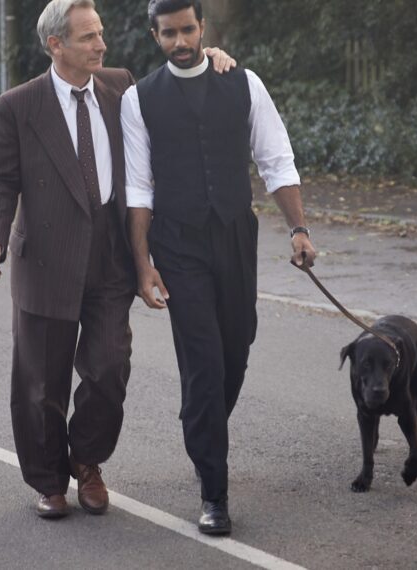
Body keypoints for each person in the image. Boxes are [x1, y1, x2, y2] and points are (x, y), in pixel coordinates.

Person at [0, 0, 235, 520]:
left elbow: (174, 86)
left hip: (110, 256)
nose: (102, 45)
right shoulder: (17, 106)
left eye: (101, 34)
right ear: (57, 46)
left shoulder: (121, 85)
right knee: (40, 384)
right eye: (89, 37)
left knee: (109, 369)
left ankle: (87, 460)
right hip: (45, 260)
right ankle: (49, 482)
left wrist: (209, 58)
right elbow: (1, 182)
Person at [121, 0, 318, 535]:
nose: (180, 42)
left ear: (202, 28)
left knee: (237, 345)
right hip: (177, 242)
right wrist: (143, 264)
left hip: (234, 233)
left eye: (188, 30)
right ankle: (214, 493)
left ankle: (200, 424)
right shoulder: (139, 100)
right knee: (205, 363)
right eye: (169, 34)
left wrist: (298, 229)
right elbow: (138, 187)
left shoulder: (244, 83)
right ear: (154, 35)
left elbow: (276, 158)